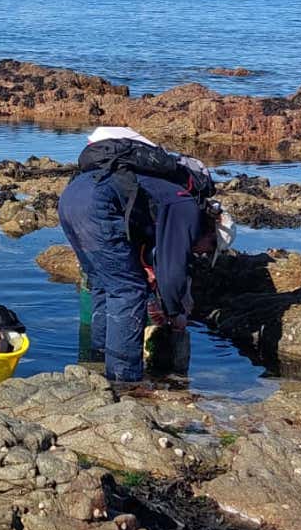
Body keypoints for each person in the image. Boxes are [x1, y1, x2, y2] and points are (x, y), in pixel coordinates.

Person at [57, 126, 230, 384]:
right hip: (98, 205)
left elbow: (144, 250)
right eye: (210, 250)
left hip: (72, 198)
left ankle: (96, 360)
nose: (203, 254)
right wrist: (174, 314)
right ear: (212, 233)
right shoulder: (185, 209)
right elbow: (172, 270)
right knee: (128, 291)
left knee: (105, 284)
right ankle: (124, 381)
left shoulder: (165, 191)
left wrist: (156, 289)